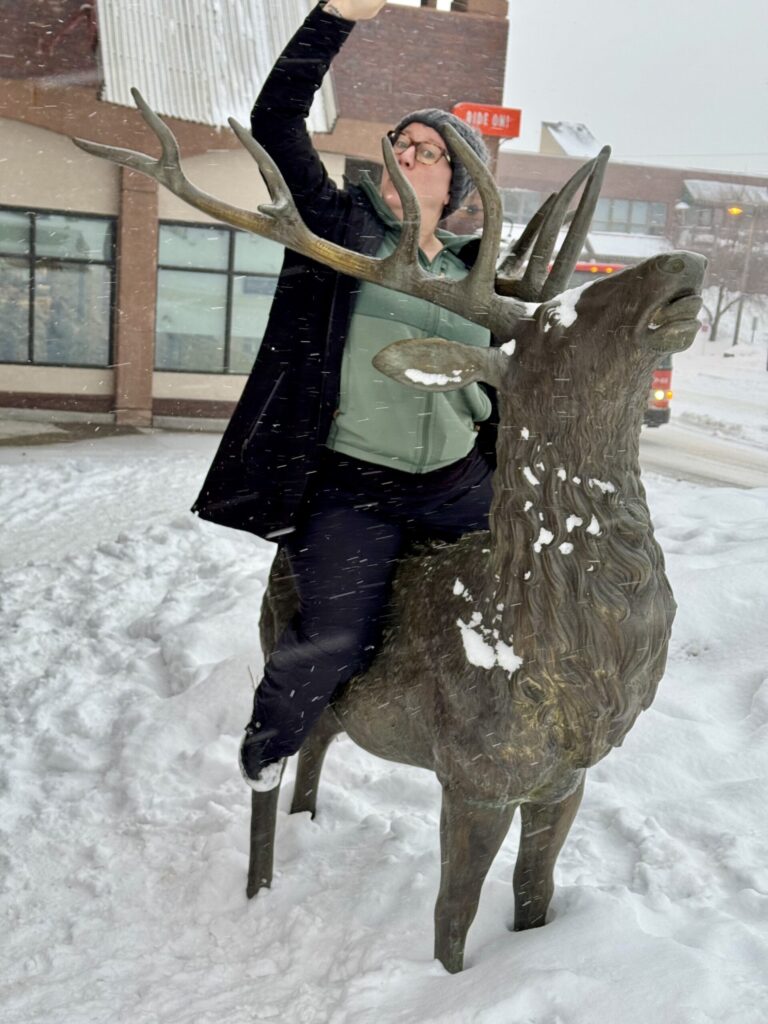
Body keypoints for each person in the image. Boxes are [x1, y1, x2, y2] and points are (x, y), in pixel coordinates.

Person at [192, 0, 500, 791]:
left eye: (428, 151)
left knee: (540, 590)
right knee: (335, 637)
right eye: (399, 144)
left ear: (455, 182)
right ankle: (272, 739)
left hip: (460, 484)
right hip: (354, 488)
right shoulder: (337, 227)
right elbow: (278, 116)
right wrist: (334, 18)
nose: (407, 156)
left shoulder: (478, 271)